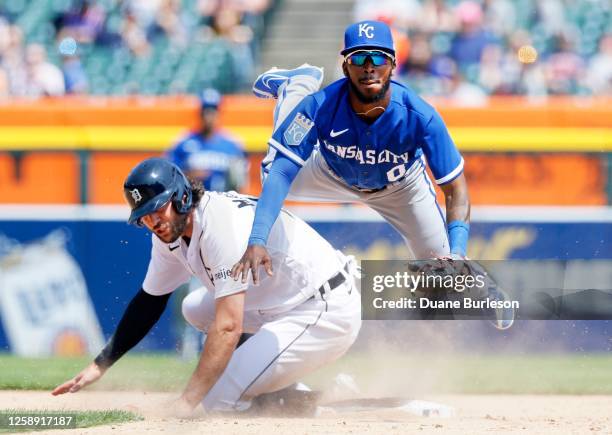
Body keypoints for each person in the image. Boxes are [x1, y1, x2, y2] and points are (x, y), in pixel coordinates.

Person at [51, 158, 361, 414]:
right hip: (285, 304)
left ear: (181, 196)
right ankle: (305, 394)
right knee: (194, 308)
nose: (154, 223)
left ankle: (320, 409)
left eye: (158, 209)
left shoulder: (218, 227)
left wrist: (186, 402)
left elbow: (228, 327)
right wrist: (100, 363)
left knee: (215, 400)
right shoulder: (170, 236)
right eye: (145, 217)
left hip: (324, 308)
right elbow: (149, 301)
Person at [232, 20, 471, 285]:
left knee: (445, 270)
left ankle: (484, 293)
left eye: (378, 57)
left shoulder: (421, 116)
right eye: (358, 57)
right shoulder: (319, 106)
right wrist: (257, 240)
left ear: (393, 64)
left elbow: (456, 189)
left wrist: (458, 251)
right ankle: (297, 85)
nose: (369, 66)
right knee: (271, 174)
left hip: (401, 188)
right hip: (329, 173)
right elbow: (281, 173)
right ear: (345, 66)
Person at [167, 88, 248, 193]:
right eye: (206, 111)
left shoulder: (233, 144)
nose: (209, 116)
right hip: (192, 204)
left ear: (219, 113)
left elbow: (241, 184)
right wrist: (189, 175)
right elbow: (170, 175)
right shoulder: (183, 142)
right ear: (200, 113)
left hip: (224, 203)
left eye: (213, 111)